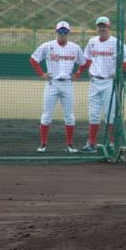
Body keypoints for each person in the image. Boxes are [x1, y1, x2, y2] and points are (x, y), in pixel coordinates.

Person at [75, 16, 126, 153]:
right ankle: (91, 143)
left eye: (104, 26)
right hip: (94, 81)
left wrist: (119, 71)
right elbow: (87, 59)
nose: (102, 28)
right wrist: (82, 71)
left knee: (111, 113)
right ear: (97, 28)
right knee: (94, 114)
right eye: (99, 26)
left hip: (109, 81)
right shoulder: (92, 42)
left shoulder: (116, 42)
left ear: (109, 27)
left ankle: (112, 143)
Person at [30, 21, 86, 154]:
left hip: (67, 84)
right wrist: (42, 74)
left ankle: (70, 145)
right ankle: (43, 144)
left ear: (68, 32)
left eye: (65, 31)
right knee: (47, 115)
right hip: (52, 83)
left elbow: (84, 62)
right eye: (60, 31)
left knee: (70, 116)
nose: (62, 34)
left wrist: (77, 74)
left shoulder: (75, 47)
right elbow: (33, 59)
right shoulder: (48, 46)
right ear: (56, 32)